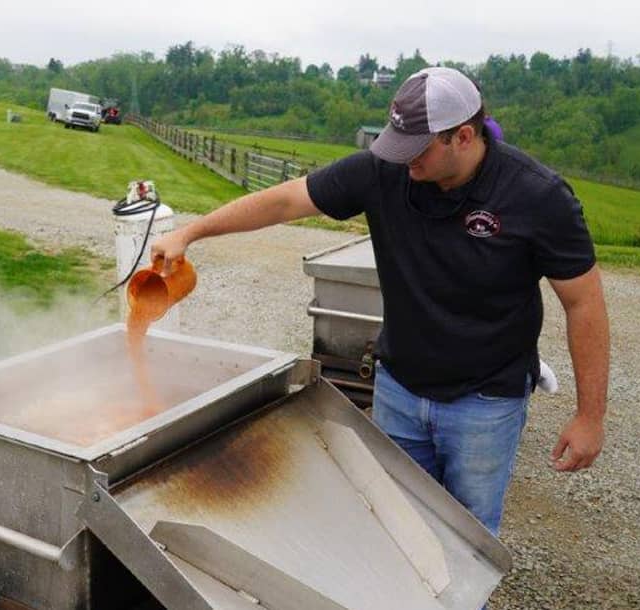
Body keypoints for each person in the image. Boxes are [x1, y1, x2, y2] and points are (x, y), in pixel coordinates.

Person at [150, 67, 609, 536]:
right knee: (393, 523)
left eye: (417, 150)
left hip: (485, 403)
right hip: (399, 389)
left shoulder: (537, 195)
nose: (402, 161)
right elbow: (286, 201)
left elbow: (584, 303)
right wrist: (191, 231)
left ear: (463, 137)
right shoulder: (385, 170)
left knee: (468, 534)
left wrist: (590, 416)